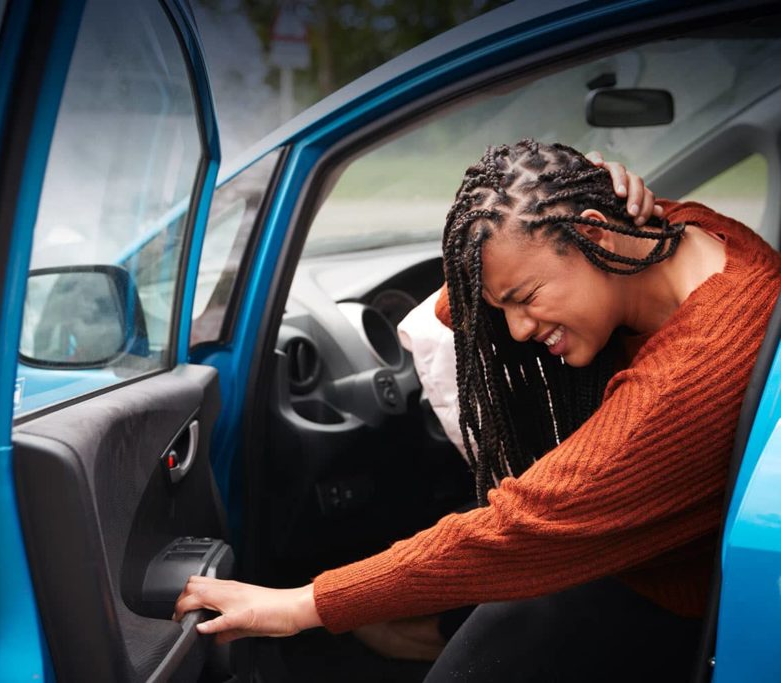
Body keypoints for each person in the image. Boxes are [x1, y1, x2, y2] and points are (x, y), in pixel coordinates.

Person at [173, 140, 781, 681]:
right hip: (640, 548)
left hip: (665, 593)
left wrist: (300, 606)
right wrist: (583, 197)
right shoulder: (683, 230)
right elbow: (465, 309)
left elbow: (518, 528)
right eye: (505, 304)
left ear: (595, 234)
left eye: (526, 298)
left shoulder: (691, 378)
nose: (515, 329)